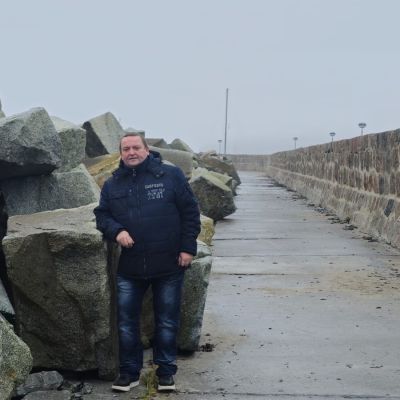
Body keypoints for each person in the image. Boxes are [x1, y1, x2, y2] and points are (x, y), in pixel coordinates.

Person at [94, 133, 200, 393]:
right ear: (121, 153)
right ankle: (129, 373)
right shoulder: (112, 184)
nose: (131, 152)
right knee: (126, 324)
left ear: (146, 149)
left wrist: (188, 248)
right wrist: (117, 231)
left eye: (136, 147)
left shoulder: (170, 176)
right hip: (130, 267)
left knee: (167, 322)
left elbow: (190, 212)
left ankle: (165, 372)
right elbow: (102, 215)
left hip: (169, 264)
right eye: (126, 149)